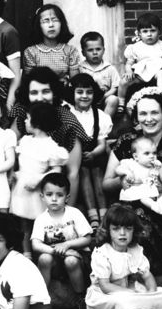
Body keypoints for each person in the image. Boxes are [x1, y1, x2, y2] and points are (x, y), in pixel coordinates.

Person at [103, 88, 162, 275]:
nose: (149, 118)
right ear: (137, 117)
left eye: (154, 112)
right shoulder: (126, 143)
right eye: (143, 114)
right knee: (119, 223)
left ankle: (141, 274)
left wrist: (161, 191)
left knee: (141, 227)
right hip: (126, 205)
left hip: (160, 211)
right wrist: (121, 181)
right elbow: (106, 184)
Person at [7, 68, 83, 208]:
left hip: (55, 191)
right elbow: (9, 145)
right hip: (24, 188)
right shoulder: (23, 114)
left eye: (46, 91)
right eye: (34, 92)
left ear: (54, 93)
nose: (40, 98)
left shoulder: (67, 122)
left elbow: (73, 173)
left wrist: (67, 213)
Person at [30, 172, 94, 309]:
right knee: (43, 258)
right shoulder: (41, 219)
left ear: (67, 197)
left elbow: (87, 238)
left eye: (59, 195)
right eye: (49, 194)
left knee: (71, 260)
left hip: (77, 258)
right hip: (55, 261)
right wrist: (57, 251)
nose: (54, 199)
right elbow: (36, 245)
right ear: (42, 197)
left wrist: (67, 245)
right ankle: (42, 301)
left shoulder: (74, 213)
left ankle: (81, 298)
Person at [10, 102, 69, 248]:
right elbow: (18, 162)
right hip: (22, 187)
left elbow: (56, 171)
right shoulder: (25, 141)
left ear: (37, 122)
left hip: (37, 189)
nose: (25, 121)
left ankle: (42, 251)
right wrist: (14, 174)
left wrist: (39, 180)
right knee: (23, 222)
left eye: (28, 118)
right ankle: (27, 253)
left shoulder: (51, 146)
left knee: (40, 221)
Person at [66, 73, 110, 230]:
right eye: (79, 92)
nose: (84, 96)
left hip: (96, 154)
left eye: (89, 92)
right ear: (72, 93)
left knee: (97, 174)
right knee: (83, 172)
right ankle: (93, 216)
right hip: (76, 157)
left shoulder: (100, 116)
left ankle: (104, 214)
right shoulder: (68, 114)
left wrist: (94, 153)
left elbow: (102, 144)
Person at [115, 136, 162, 227]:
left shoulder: (155, 167)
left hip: (153, 193)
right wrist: (127, 172)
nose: (152, 156)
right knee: (144, 198)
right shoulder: (130, 163)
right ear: (136, 156)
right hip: (136, 194)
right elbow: (118, 169)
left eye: (154, 153)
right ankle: (156, 207)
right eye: (147, 153)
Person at [22, 3, 81, 84]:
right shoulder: (31, 52)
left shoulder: (71, 51)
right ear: (39, 25)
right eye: (46, 21)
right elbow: (29, 82)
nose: (51, 25)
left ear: (61, 23)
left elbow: (75, 82)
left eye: (55, 20)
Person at [122, 12, 162, 97]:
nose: (149, 34)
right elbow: (129, 63)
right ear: (139, 33)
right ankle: (121, 101)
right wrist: (129, 71)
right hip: (140, 75)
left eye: (153, 30)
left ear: (159, 31)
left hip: (156, 74)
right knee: (123, 81)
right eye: (145, 31)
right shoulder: (135, 47)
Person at [77, 31, 121, 118]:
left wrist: (104, 96)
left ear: (103, 50)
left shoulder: (109, 68)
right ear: (83, 53)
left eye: (98, 49)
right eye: (90, 50)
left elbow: (115, 87)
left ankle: (104, 125)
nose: (95, 53)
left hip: (104, 101)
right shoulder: (80, 68)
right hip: (86, 100)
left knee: (113, 99)